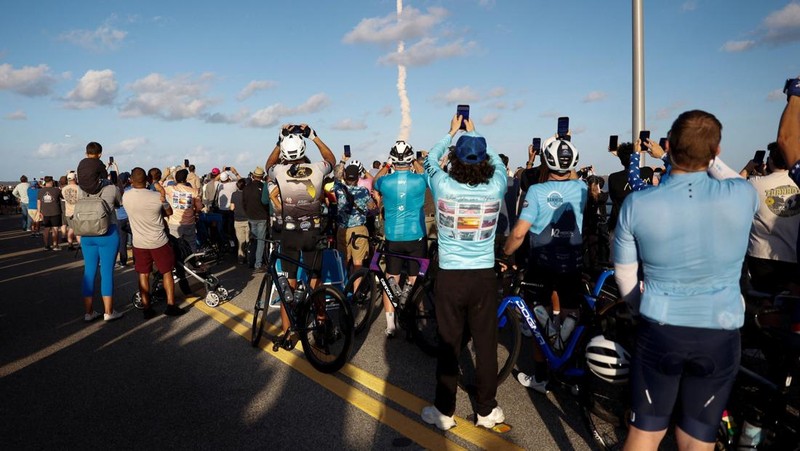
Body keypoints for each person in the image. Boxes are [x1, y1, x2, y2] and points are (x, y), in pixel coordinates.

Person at [614, 110, 758, 450]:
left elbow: (624, 275)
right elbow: (728, 175)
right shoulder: (742, 195)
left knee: (645, 433)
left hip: (661, 326)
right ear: (717, 151)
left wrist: (642, 309)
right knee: (696, 436)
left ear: (669, 144)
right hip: (719, 331)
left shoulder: (637, 203)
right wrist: (708, 156)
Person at [419, 114, 507, 430]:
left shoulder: (442, 184)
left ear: (454, 159)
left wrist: (451, 132)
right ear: (483, 159)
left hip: (450, 275)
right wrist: (476, 133)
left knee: (448, 344)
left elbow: (429, 158)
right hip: (483, 275)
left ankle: (444, 411)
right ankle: (486, 411)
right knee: (485, 345)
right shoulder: (497, 186)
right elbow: (498, 164)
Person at [502, 137, 588, 393]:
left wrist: (506, 253)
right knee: (571, 313)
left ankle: (540, 377)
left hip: (542, 262)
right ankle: (569, 373)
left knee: (538, 318)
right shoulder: (582, 188)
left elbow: (519, 233)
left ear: (544, 161)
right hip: (573, 262)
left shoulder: (536, 192)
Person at [264, 123, 335, 346]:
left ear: (284, 152)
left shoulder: (279, 172)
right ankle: (321, 324)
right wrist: (313, 135)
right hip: (313, 233)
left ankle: (287, 333)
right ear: (303, 150)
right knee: (316, 282)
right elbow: (331, 159)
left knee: (289, 284)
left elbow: (269, 165)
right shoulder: (317, 169)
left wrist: (280, 139)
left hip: (290, 235)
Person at [373, 141, 427, 338]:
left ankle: (390, 325)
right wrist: (415, 160)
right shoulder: (419, 180)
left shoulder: (386, 181)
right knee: (415, 279)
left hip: (393, 237)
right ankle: (418, 320)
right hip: (416, 235)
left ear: (393, 159)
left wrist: (387, 166)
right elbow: (425, 174)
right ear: (411, 159)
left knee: (392, 277)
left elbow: (374, 182)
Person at [124, 167, 187, 319]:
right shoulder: (156, 197)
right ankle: (171, 305)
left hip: (139, 242)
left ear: (131, 180)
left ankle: (147, 308)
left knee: (143, 274)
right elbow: (169, 212)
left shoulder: (126, 196)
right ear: (147, 180)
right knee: (166, 272)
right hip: (159, 240)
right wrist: (163, 195)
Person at [741, 143, 800, 295]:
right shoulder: (797, 183)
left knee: (764, 299)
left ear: (770, 160)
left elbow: (735, 187)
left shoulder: (755, 183)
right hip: (792, 257)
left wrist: (748, 169)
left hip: (760, 256)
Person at [76, 142, 124, 322]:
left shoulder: (81, 190)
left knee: (89, 272)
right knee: (107, 273)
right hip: (108, 233)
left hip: (87, 235)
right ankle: (108, 312)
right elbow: (119, 204)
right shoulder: (110, 188)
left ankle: (89, 312)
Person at [332, 163, 373, 277]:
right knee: (358, 263)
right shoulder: (364, 191)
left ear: (345, 176)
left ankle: (343, 289)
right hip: (359, 230)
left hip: (343, 230)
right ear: (358, 177)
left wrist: (343, 161)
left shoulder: (339, 190)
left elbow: (336, 176)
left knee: (343, 261)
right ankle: (356, 291)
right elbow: (371, 207)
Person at [164, 168, 202, 252]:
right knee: (191, 243)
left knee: (175, 245)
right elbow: (199, 207)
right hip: (189, 222)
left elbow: (158, 187)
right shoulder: (194, 192)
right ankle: (192, 262)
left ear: (175, 179)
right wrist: (194, 212)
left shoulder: (171, 189)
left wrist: (165, 176)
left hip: (174, 223)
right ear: (186, 179)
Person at [243, 166, 270, 270]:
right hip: (262, 216)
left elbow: (244, 203)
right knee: (261, 241)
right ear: (262, 176)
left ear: (253, 176)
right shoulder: (264, 187)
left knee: (253, 239)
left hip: (251, 216)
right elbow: (265, 202)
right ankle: (258, 263)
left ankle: (251, 260)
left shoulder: (246, 188)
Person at [37, 176, 63, 250]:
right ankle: (55, 245)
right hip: (55, 211)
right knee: (55, 228)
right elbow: (62, 197)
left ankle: (46, 245)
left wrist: (39, 212)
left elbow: (38, 202)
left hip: (45, 212)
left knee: (46, 229)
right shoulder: (57, 190)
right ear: (51, 181)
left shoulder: (40, 191)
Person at [229, 178, 249, 264]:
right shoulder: (248, 194)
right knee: (248, 240)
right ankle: (249, 258)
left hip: (238, 220)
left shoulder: (234, 194)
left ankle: (241, 258)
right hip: (248, 219)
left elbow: (232, 207)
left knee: (241, 241)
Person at [61, 171, 80, 250]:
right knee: (79, 230)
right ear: (75, 178)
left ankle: (70, 244)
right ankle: (80, 244)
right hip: (77, 211)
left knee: (71, 228)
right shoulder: (79, 188)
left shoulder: (64, 189)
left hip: (68, 211)